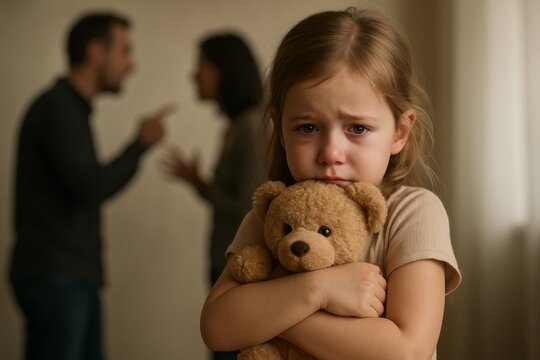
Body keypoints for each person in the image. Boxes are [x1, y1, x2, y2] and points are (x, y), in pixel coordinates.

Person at [200, 8, 461, 359]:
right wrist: (318, 291)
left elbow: (408, 352)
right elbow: (216, 328)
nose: (330, 153)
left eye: (357, 128)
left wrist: (275, 307)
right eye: (307, 128)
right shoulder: (269, 219)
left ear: (399, 132)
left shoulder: (413, 213)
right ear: (280, 128)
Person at [9, 12, 172, 360]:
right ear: (96, 51)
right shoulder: (58, 109)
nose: (131, 64)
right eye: (125, 51)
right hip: (58, 278)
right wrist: (139, 145)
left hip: (66, 277)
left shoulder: (68, 108)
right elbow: (90, 186)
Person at [161, 33, 265, 360]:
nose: (195, 74)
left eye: (202, 65)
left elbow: (252, 208)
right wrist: (201, 186)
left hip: (242, 275)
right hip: (226, 266)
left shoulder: (250, 127)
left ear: (226, 70)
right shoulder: (235, 126)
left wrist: (202, 187)